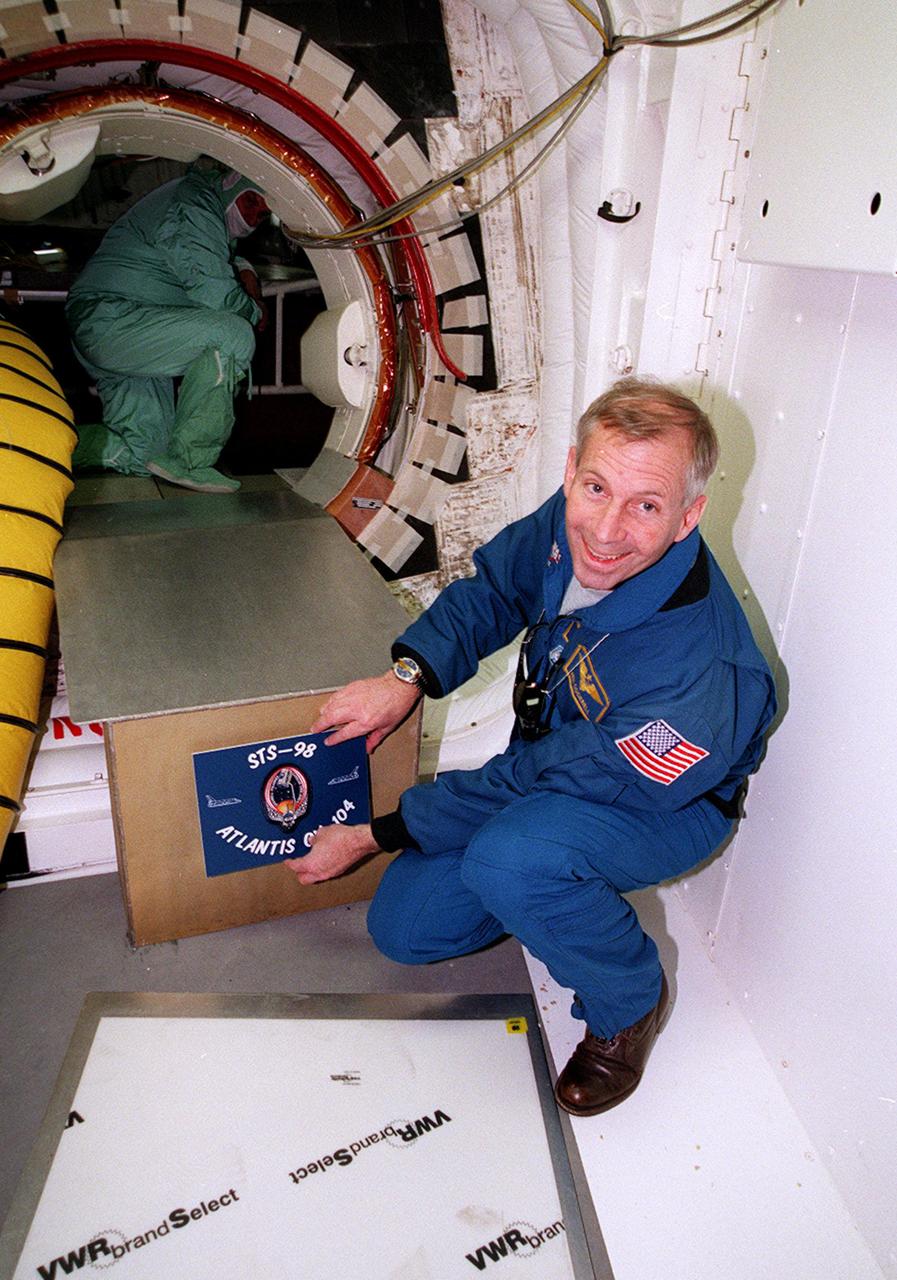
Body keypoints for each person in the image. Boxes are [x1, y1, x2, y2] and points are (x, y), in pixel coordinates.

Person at [286, 378, 777, 1115]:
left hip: (664, 804)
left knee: (510, 857)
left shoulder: (697, 677)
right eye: (595, 488)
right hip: (560, 765)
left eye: (646, 506)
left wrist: (376, 832)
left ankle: (628, 1001)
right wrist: (407, 677)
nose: (605, 530)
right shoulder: (575, 520)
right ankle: (549, 888)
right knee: (406, 929)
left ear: (688, 516)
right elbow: (496, 590)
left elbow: (546, 778)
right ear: (572, 470)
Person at [66, 165, 269, 494]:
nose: (252, 217)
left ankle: (33, 446)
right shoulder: (196, 202)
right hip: (113, 319)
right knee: (233, 334)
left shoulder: (201, 209)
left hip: (124, 327)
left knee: (145, 454)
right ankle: (191, 460)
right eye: (250, 202)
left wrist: (245, 269)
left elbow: (203, 259)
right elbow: (215, 293)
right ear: (231, 184)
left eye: (261, 215)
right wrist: (255, 309)